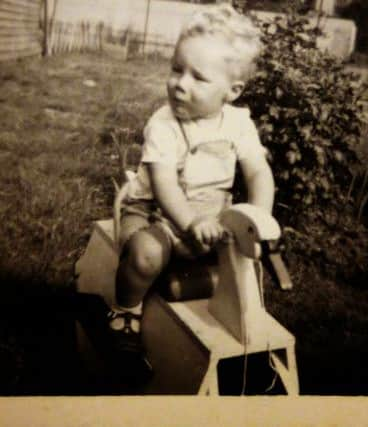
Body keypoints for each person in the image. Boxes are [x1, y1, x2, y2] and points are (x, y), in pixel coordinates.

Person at [108, 4, 275, 370]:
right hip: (159, 214)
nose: (180, 84)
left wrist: (258, 218)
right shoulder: (164, 124)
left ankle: (246, 346)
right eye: (176, 69)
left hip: (212, 217)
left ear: (232, 91)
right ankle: (125, 312)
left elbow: (259, 173)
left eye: (198, 77)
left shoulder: (238, 123)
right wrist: (189, 224)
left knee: (246, 268)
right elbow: (165, 184)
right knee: (145, 256)